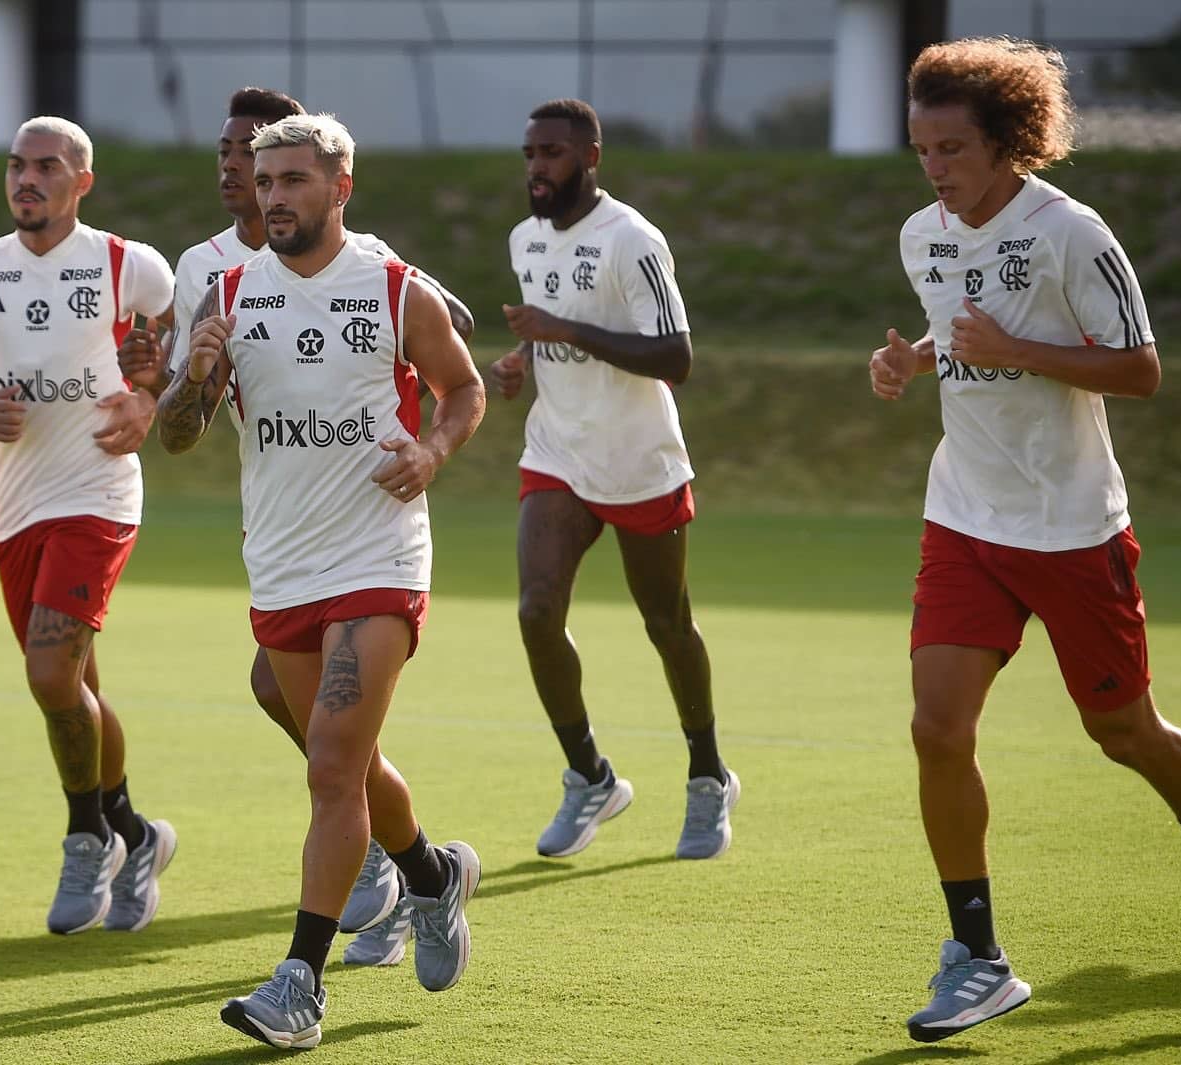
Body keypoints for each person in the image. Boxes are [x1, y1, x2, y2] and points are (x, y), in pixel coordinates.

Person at [872, 37, 1181, 1042]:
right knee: (937, 729)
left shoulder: (1072, 233)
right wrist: (912, 361)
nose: (934, 169)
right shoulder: (921, 235)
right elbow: (958, 332)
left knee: (1124, 732)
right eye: (921, 149)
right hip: (964, 517)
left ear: (1006, 141)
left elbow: (1140, 369)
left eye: (952, 148)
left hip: (1072, 527)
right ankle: (978, 958)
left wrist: (1015, 351)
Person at [117, 86, 476, 967]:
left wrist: (430, 452)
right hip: (281, 559)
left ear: (340, 187)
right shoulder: (228, 292)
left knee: (330, 767)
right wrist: (194, 377)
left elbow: (462, 387)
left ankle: (298, 978)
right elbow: (178, 435)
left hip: (379, 552)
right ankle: (430, 875)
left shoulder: (391, 285)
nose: (271, 195)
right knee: (339, 753)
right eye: (264, 180)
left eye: (292, 180)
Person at [0, 116, 177, 935]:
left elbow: (184, 344)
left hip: (98, 492)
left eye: (46, 166)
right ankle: (137, 836)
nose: (26, 178)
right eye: (16, 165)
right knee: (75, 686)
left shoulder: (127, 264)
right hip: (17, 501)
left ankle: (88, 838)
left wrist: (147, 399)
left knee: (50, 676)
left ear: (83, 181)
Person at [489, 99, 736, 862]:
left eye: (553, 153)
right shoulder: (526, 239)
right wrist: (521, 362)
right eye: (530, 154)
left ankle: (708, 774)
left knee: (667, 623)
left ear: (591, 156)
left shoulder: (633, 240)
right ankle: (589, 773)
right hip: (558, 453)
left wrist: (562, 332)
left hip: (637, 460)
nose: (537, 168)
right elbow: (549, 329)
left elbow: (676, 357)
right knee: (536, 612)